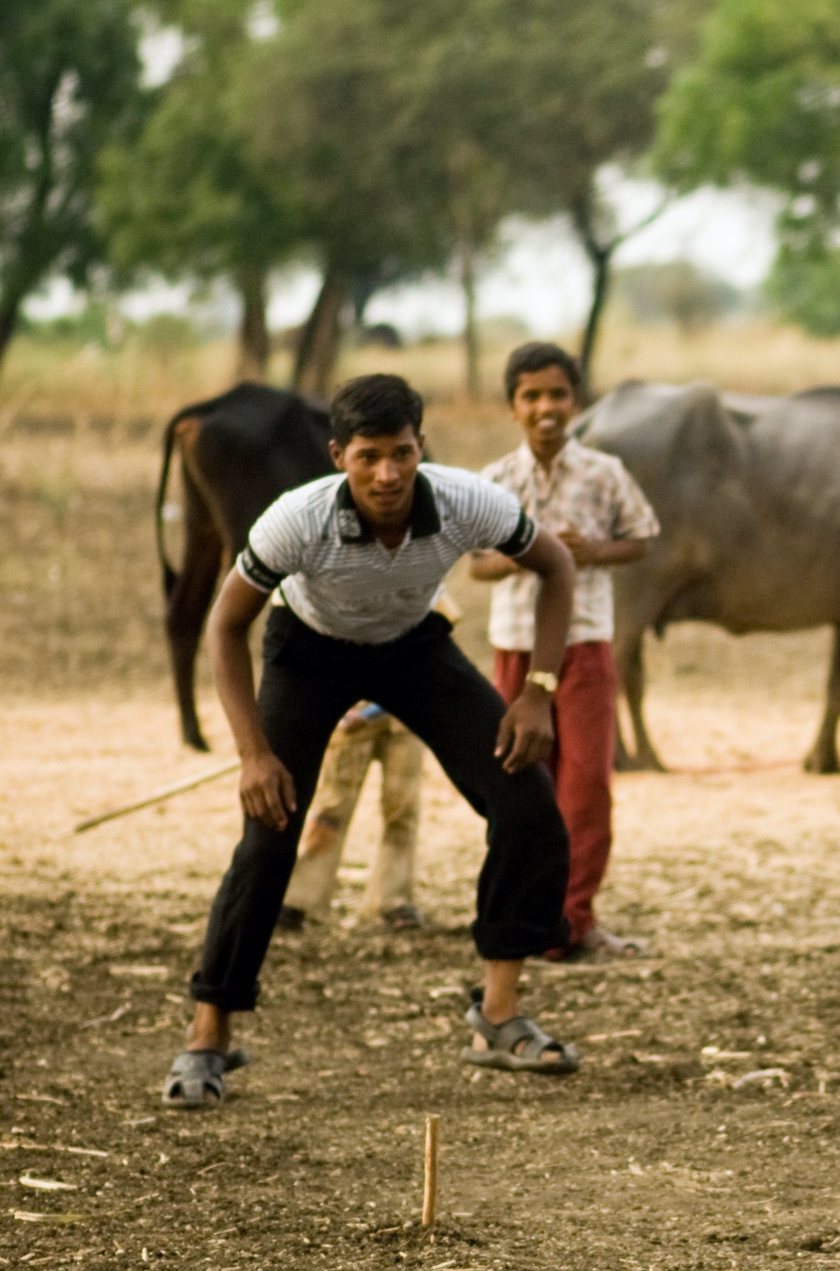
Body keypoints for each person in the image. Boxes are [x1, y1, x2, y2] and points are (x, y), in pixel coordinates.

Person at [164, 374, 583, 1111]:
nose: (387, 474)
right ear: (338, 456)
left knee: (528, 805)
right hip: (308, 650)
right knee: (269, 834)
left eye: (401, 453)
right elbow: (226, 627)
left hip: (411, 647)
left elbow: (557, 564)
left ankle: (498, 1015)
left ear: (423, 448)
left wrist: (538, 692)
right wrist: (253, 753)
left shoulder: (463, 501)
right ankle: (208, 1035)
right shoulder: (296, 520)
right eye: (367, 457)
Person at [471, 342, 659, 962]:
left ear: (577, 403)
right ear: (513, 407)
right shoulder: (498, 480)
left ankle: (573, 920)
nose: (545, 408)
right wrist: (524, 555)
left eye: (557, 395)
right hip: (516, 648)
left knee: (585, 785)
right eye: (531, 397)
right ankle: (523, 917)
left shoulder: (604, 472)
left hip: (583, 644)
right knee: (523, 783)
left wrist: (592, 551)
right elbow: (476, 565)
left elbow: (643, 537)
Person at [276, 702, 428, 932]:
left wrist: (375, 711)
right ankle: (299, 898)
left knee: (403, 810)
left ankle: (394, 899)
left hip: (406, 717)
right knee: (332, 809)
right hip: (352, 711)